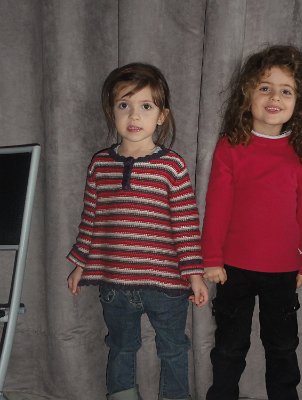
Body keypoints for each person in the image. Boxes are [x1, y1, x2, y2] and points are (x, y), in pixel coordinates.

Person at [66, 62, 208, 400]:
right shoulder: (100, 164)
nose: (134, 115)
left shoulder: (171, 166)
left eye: (145, 106)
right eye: (124, 105)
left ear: (161, 116)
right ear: (112, 111)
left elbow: (186, 224)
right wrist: (81, 263)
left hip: (167, 285)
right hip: (115, 283)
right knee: (120, 347)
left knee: (173, 348)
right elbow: (91, 218)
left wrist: (195, 275)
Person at [202, 45, 302, 400]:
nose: (274, 98)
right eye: (265, 88)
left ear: (299, 103)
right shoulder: (230, 146)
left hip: (283, 271)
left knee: (282, 348)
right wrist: (211, 258)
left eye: (286, 91)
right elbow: (217, 206)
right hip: (232, 268)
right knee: (229, 348)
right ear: (247, 95)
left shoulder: (301, 152)